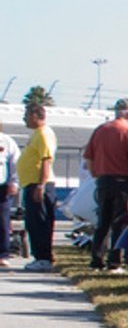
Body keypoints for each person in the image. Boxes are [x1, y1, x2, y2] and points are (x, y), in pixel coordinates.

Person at [83, 98, 128, 271]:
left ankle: (96, 259)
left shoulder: (100, 130)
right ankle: (114, 260)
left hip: (103, 181)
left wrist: (96, 175)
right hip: (122, 181)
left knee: (103, 221)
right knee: (119, 222)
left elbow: (88, 158)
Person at [18, 103, 56, 272]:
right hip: (32, 183)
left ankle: (43, 258)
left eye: (26, 115)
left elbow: (46, 160)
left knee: (39, 222)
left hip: (38, 184)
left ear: (35, 115)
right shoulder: (37, 134)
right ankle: (42, 256)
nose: (24, 118)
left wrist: (41, 185)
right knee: (33, 222)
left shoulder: (43, 134)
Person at [0, 116, 18, 268]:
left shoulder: (6, 142)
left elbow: (15, 163)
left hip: (2, 186)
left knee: (2, 221)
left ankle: (3, 254)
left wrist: (14, 182)